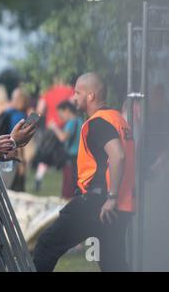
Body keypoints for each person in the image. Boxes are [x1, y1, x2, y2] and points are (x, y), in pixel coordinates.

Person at [33, 72, 135, 272]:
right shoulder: (118, 119)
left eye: (77, 93)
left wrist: (111, 197)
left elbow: (118, 156)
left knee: (46, 245)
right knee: (113, 265)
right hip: (121, 206)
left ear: (91, 96)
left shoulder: (98, 122)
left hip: (98, 203)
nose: (74, 98)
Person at [34, 77, 74, 192]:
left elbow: (39, 110)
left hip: (50, 127)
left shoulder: (48, 92)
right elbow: (74, 105)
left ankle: (38, 178)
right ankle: (67, 184)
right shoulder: (70, 91)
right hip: (66, 127)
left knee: (45, 156)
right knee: (67, 157)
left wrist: (30, 123)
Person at [49, 100, 84, 199]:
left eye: (61, 115)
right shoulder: (80, 120)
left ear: (67, 110)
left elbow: (63, 137)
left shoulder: (72, 122)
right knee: (76, 186)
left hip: (71, 159)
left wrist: (54, 127)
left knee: (68, 189)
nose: (60, 118)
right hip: (79, 158)